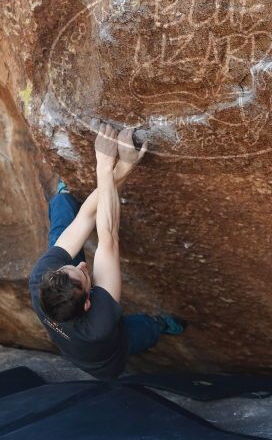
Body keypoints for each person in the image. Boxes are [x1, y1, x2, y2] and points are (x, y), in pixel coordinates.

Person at [28, 123, 185, 380]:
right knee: (141, 331)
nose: (81, 265)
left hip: (71, 332)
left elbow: (87, 218)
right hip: (105, 360)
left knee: (63, 228)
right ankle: (161, 325)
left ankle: (65, 196)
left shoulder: (41, 279)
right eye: (82, 275)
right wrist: (108, 165)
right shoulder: (100, 323)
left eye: (68, 267)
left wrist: (119, 168)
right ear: (89, 302)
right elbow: (108, 236)